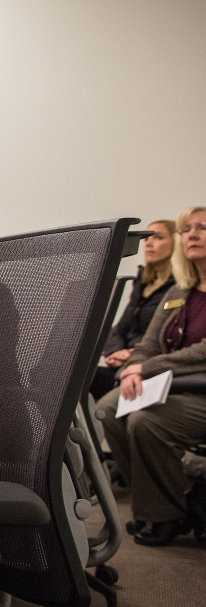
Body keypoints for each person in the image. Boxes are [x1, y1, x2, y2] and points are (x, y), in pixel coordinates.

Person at [98, 206, 206, 547]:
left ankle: (165, 514)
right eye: (186, 228)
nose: (192, 234)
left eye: (203, 227)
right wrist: (135, 367)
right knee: (109, 409)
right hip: (170, 384)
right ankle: (177, 497)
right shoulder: (179, 292)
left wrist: (146, 368)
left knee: (144, 422)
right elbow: (147, 345)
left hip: (199, 391)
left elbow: (203, 351)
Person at [89, 220, 177, 399]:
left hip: (149, 362)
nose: (149, 243)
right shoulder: (142, 283)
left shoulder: (179, 288)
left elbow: (167, 336)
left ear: (177, 244)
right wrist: (115, 351)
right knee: (82, 378)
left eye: (158, 238)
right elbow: (120, 327)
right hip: (124, 360)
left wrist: (133, 354)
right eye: (146, 240)